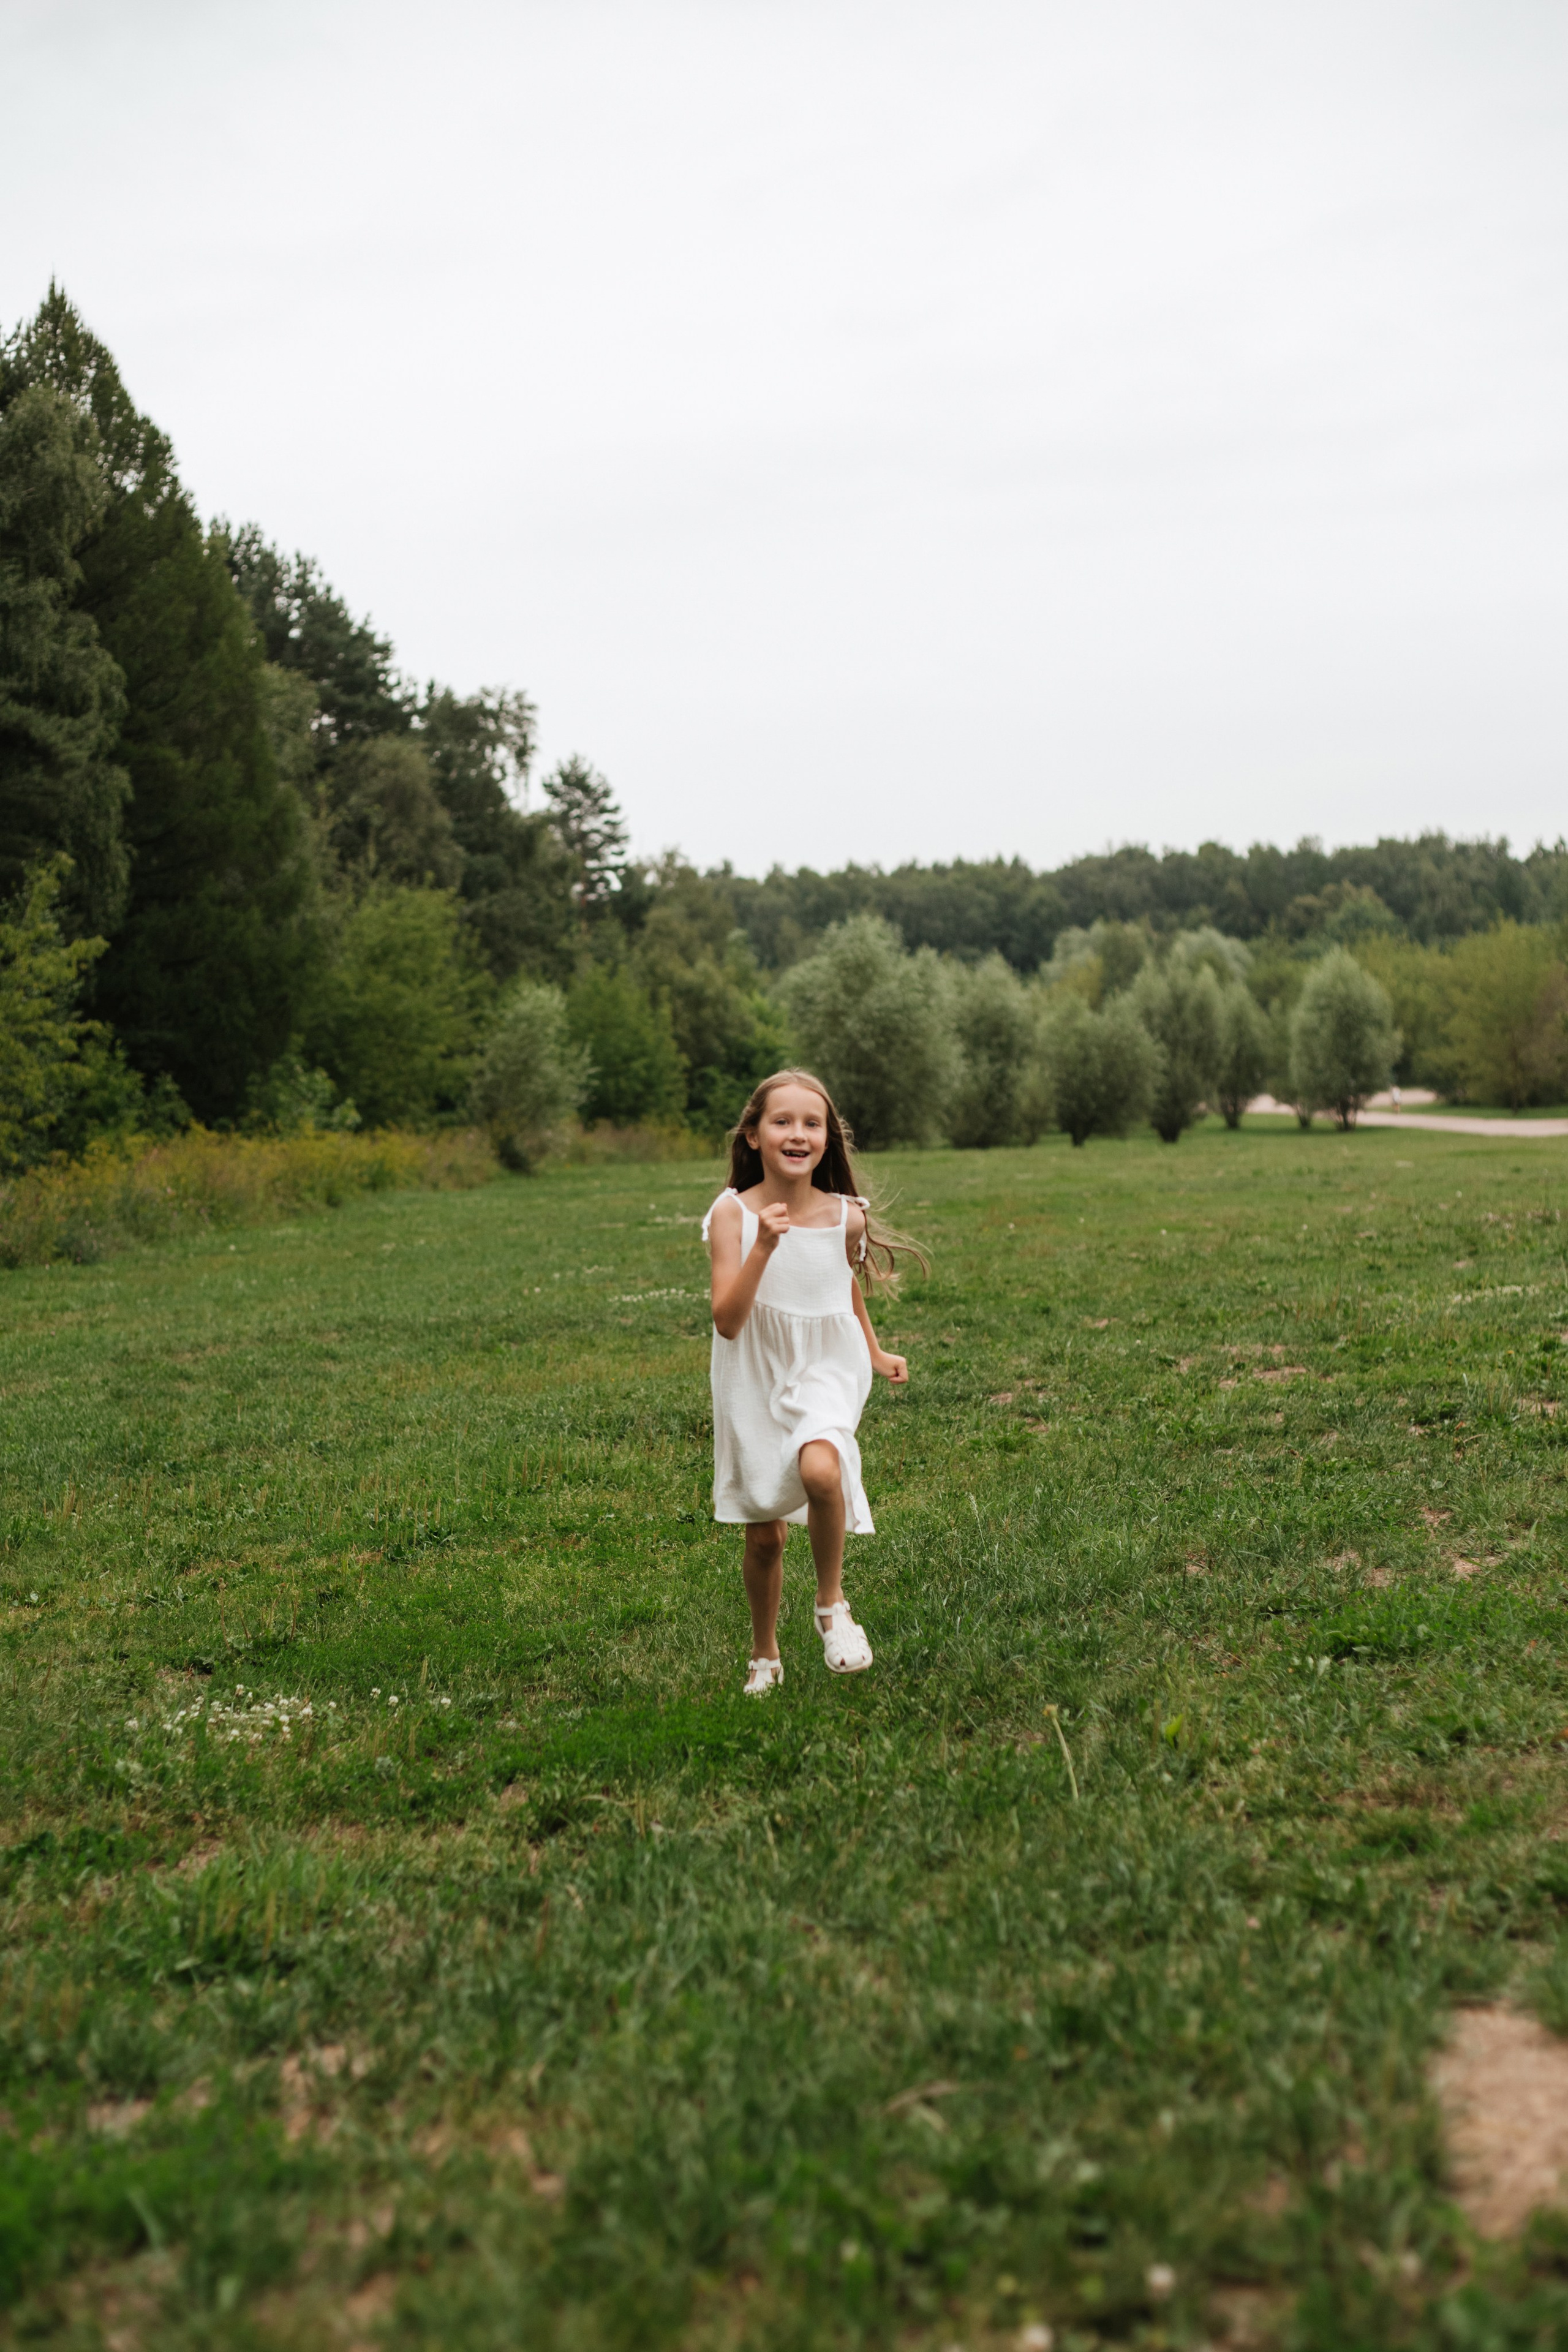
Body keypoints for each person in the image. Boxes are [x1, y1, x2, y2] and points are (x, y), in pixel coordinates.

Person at [701, 1069, 925, 1695]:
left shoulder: (846, 1217)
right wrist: (763, 1248)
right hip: (753, 1372)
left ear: (828, 1138)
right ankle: (765, 1654)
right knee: (765, 1536)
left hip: (826, 1364)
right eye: (782, 1122)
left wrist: (874, 1352)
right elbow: (727, 1321)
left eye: (812, 1123)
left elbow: (841, 1286)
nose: (797, 1134)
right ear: (754, 1135)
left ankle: (831, 1606)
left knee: (823, 1470)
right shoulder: (731, 1214)